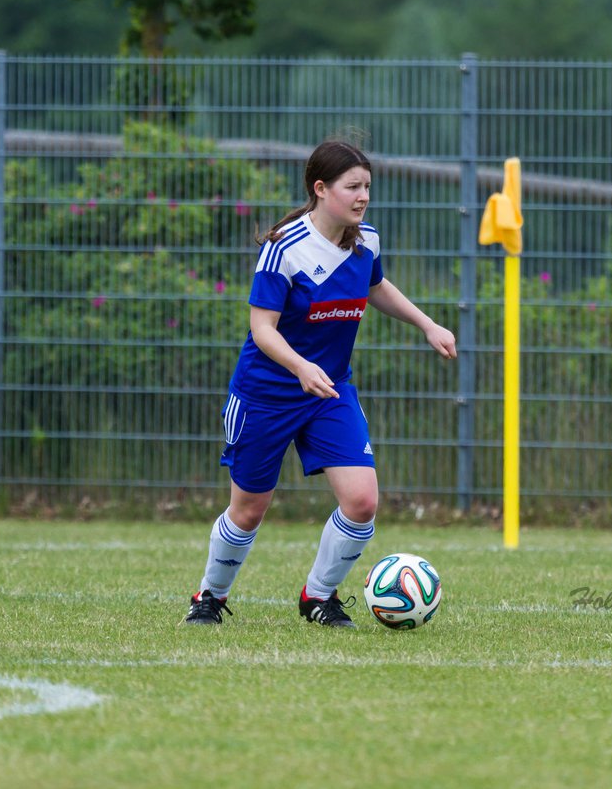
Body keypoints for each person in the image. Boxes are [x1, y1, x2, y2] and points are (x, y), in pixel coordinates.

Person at [184, 139, 456, 627]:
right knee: (247, 512)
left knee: (362, 501)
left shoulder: (365, 240)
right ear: (320, 189)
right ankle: (209, 597)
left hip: (329, 392)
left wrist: (427, 324)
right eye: (352, 187)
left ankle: (318, 597)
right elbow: (262, 329)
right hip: (267, 393)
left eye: (367, 186)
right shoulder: (283, 248)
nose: (363, 196)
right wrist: (300, 367)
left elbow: (375, 287)